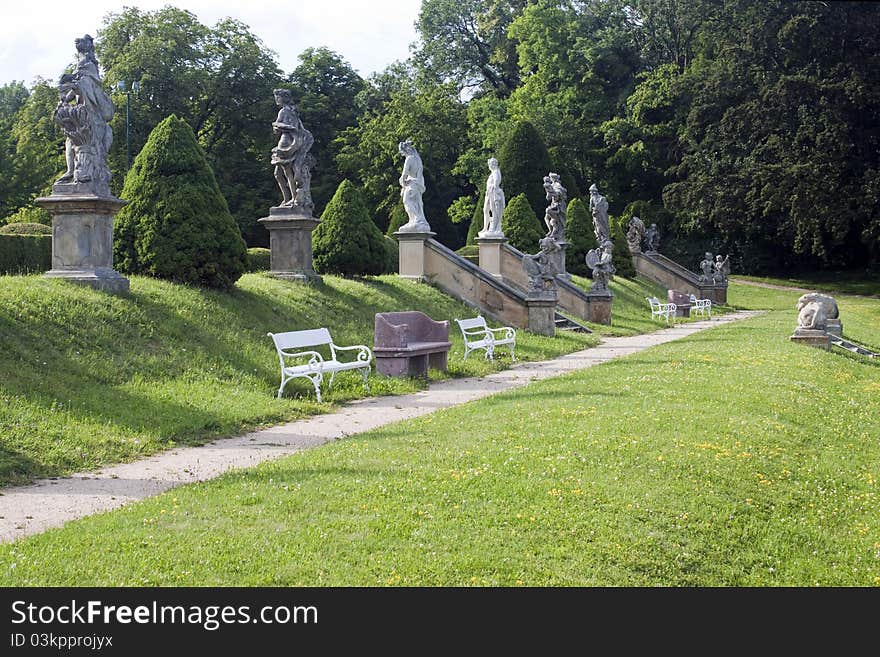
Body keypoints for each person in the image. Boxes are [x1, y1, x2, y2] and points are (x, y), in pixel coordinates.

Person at [54, 34, 115, 194]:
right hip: (82, 114)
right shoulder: (82, 65)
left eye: (84, 41)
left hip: (90, 113)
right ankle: (71, 171)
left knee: (83, 141)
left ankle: (86, 171)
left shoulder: (89, 64)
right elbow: (76, 87)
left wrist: (70, 85)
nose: (79, 42)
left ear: (89, 45)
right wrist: (65, 99)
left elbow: (82, 84)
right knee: (70, 141)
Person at [271, 89, 314, 209]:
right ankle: (287, 199)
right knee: (279, 173)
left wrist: (276, 125)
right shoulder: (290, 111)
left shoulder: (285, 111)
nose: (276, 100)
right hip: (285, 141)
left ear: (283, 98)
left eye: (277, 97)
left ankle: (293, 198)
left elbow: (293, 128)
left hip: (286, 142)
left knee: (286, 172)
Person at [397, 140, 430, 232]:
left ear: (406, 151)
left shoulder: (409, 159)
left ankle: (416, 220)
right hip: (418, 184)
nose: (402, 155)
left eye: (402, 153)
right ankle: (418, 220)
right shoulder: (418, 159)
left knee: (407, 201)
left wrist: (402, 182)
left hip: (411, 184)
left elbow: (404, 173)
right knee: (418, 203)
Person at [480, 157, 505, 236]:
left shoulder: (496, 172)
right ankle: (485, 228)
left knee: (493, 211)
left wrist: (493, 188)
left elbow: (496, 182)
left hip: (493, 193)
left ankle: (492, 228)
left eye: (490, 164)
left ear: (493, 164)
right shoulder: (494, 172)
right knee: (485, 210)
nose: (489, 166)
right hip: (489, 193)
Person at [543, 172, 567, 241]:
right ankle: (551, 230)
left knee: (548, 211)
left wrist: (553, 192)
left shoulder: (557, 184)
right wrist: (548, 192)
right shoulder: (551, 185)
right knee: (546, 217)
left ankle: (556, 226)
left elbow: (559, 194)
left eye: (552, 178)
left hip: (559, 204)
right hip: (554, 204)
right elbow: (548, 198)